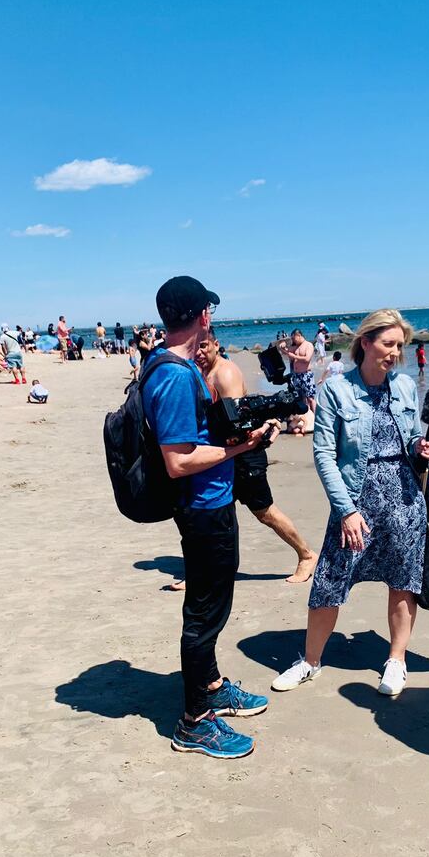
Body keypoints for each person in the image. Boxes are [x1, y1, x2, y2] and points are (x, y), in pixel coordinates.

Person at [141, 275, 277, 759]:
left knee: (209, 605)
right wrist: (242, 445)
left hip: (209, 503)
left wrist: (244, 432)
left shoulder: (167, 363)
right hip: (202, 509)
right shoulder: (176, 375)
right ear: (202, 316)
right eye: (210, 312)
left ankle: (212, 685)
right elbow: (178, 460)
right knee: (204, 613)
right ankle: (195, 722)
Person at [272, 309, 429, 699]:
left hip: (405, 499)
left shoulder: (406, 387)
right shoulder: (336, 389)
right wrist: (346, 510)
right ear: (365, 342)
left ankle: (396, 660)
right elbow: (325, 454)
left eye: (400, 346)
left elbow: (411, 437)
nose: (395, 353)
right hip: (356, 501)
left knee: (403, 582)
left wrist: (420, 448)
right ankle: (310, 661)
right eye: (388, 344)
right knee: (329, 581)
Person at [195, 329, 318, 584]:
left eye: (204, 346)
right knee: (215, 514)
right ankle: (205, 573)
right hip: (227, 454)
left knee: (265, 512)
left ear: (217, 345)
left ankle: (306, 555)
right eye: (195, 347)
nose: (199, 352)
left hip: (244, 455)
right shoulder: (203, 372)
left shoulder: (224, 373)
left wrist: (266, 426)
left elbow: (236, 421)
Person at [279, 329, 317, 412]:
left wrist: (294, 356)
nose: (293, 340)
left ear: (299, 336)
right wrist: (281, 346)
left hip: (306, 375)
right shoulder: (296, 347)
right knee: (302, 398)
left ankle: (315, 417)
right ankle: (307, 415)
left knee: (310, 398)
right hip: (297, 375)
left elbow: (307, 359)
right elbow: (286, 352)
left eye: (293, 338)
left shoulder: (308, 345)